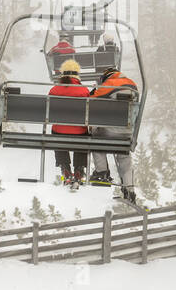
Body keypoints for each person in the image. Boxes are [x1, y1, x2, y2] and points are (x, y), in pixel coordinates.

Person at [87, 66, 139, 205]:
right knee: (124, 157)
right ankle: (129, 188)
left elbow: (91, 99)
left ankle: (102, 171)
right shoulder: (132, 84)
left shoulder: (110, 83)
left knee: (95, 140)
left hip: (109, 130)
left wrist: (95, 89)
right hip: (127, 131)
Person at [49, 60, 90, 189]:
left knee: (58, 134)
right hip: (79, 132)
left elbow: (49, 111)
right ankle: (79, 169)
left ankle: (64, 167)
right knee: (83, 135)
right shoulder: (84, 91)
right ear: (77, 75)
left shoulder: (54, 90)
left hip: (59, 131)